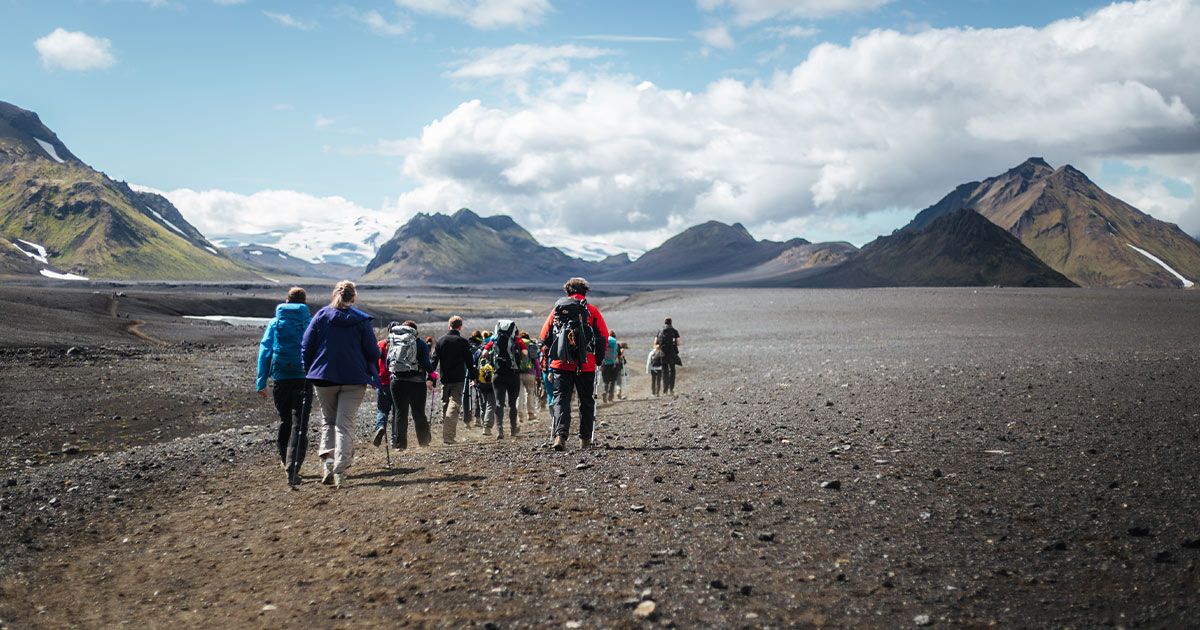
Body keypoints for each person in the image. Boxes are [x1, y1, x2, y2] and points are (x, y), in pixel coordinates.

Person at [302, 281, 379, 489]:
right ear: (353, 298)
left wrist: (310, 368)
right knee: (345, 425)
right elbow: (373, 352)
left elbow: (307, 345)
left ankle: (327, 465)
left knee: (328, 421)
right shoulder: (361, 321)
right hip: (354, 378)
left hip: (323, 377)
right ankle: (340, 471)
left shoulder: (321, 316)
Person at [539, 277, 609, 451]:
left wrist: (553, 353)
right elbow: (603, 337)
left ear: (567, 292)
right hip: (586, 365)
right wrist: (597, 360)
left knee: (561, 400)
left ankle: (560, 436)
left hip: (560, 364)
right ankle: (585, 440)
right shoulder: (592, 311)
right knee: (586, 401)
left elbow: (544, 336)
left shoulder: (558, 310)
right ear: (585, 291)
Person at [256, 286, 313, 489]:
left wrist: (261, 381)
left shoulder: (275, 322)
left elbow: (265, 350)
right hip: (304, 378)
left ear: (286, 301)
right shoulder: (309, 321)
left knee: (285, 421)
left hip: (281, 378)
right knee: (301, 424)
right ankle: (294, 466)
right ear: (304, 302)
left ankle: (284, 459)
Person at [384, 320, 436, 450]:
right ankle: (423, 442)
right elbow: (426, 363)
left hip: (397, 382)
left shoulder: (394, 343)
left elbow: (387, 364)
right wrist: (432, 373)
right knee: (418, 412)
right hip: (417, 383)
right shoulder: (421, 344)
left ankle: (400, 445)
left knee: (400, 413)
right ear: (415, 331)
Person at [432, 315, 475, 444]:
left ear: (448, 325)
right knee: (454, 405)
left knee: (445, 404)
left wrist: (430, 376)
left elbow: (434, 361)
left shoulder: (440, 341)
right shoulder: (462, 342)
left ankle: (447, 434)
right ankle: (448, 436)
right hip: (458, 379)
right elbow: (470, 361)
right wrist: (474, 377)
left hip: (445, 379)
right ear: (460, 327)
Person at [482, 320, 527, 439]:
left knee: (499, 403)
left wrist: (492, 361)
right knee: (512, 404)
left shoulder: (494, 340)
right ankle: (513, 429)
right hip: (513, 374)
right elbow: (525, 353)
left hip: (498, 374)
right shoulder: (518, 340)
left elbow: (484, 353)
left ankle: (499, 430)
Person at [371, 330, 393, 448]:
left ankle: (380, 426)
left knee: (382, 410)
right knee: (398, 411)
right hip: (398, 382)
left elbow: (373, 362)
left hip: (383, 381)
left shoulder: (380, 344)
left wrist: (373, 378)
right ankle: (396, 440)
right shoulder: (402, 344)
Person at [517, 331, 540, 422]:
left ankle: (520, 416)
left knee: (519, 395)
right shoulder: (530, 344)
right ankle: (530, 414)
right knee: (530, 394)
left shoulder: (517, 343)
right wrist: (538, 374)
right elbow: (536, 361)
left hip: (518, 373)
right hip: (530, 373)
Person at [656, 317, 682, 395]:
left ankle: (665, 390)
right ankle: (671, 389)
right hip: (672, 353)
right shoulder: (674, 331)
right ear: (671, 322)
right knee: (672, 370)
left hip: (663, 353)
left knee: (665, 371)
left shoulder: (660, 331)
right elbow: (678, 343)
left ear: (664, 322)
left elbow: (656, 342)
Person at [600, 331, 621, 403]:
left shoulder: (604, 340)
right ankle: (610, 396)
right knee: (612, 381)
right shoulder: (616, 343)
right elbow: (618, 354)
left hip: (604, 365)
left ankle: (605, 392)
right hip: (613, 365)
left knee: (606, 381)